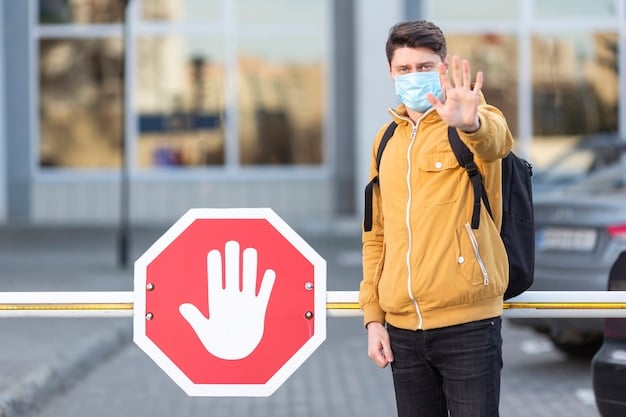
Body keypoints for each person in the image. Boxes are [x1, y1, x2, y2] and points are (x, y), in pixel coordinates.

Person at [359, 20, 514, 417]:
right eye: (404, 69)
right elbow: (376, 235)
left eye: (425, 67)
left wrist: (470, 123)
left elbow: (495, 140)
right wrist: (374, 318)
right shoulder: (385, 141)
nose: (414, 77)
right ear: (391, 74)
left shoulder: (469, 119)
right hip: (403, 331)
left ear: (443, 67)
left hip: (469, 326)